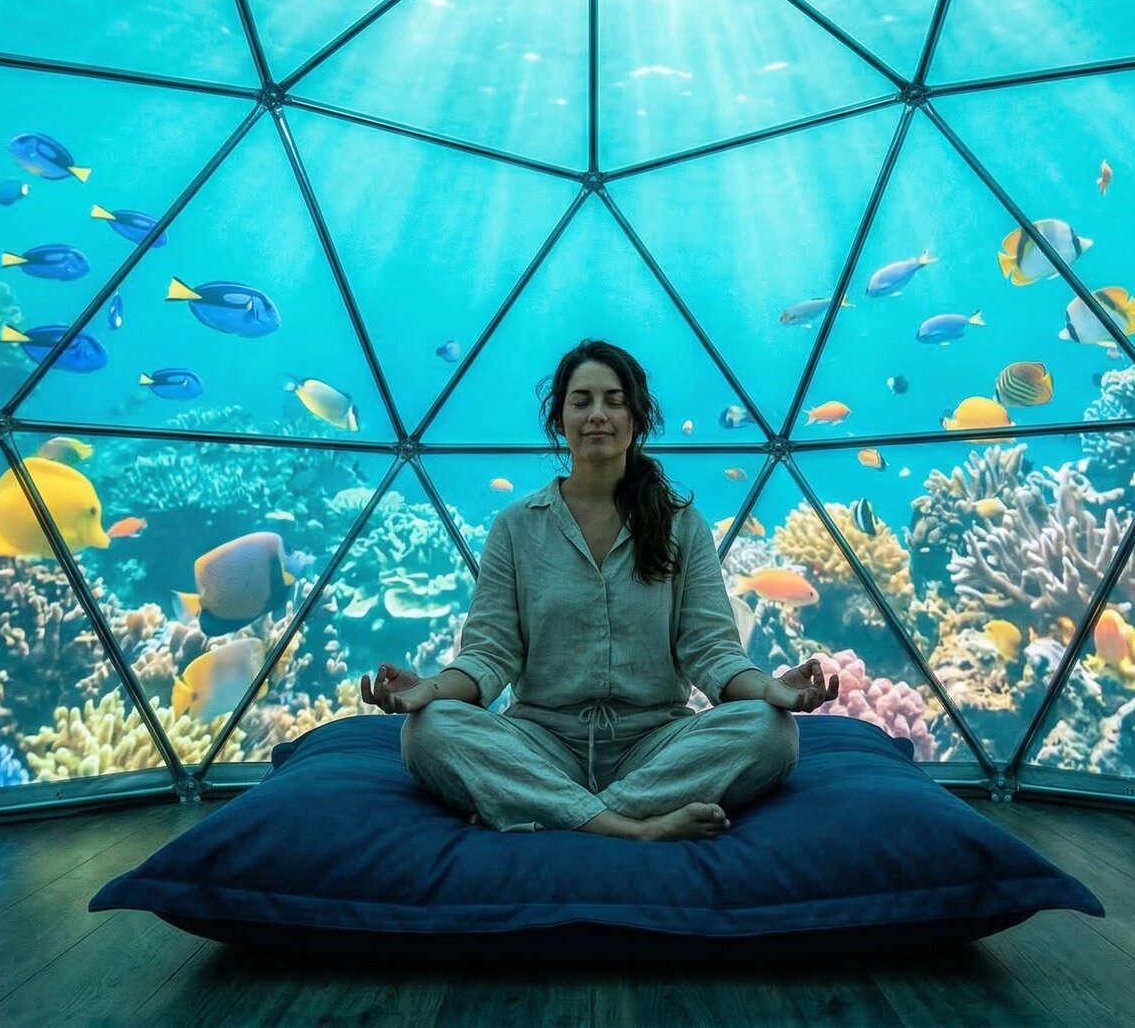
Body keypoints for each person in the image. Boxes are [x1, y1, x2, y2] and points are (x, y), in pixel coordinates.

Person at [357, 338, 840, 841]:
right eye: (581, 400)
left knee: (772, 732)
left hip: (656, 744)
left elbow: (710, 649)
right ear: (558, 419)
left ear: (637, 418)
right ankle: (628, 826)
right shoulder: (516, 527)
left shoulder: (683, 525)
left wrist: (772, 689)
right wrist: (427, 690)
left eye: (614, 400)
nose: (598, 415)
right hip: (540, 741)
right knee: (427, 732)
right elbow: (490, 654)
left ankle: (562, 812)